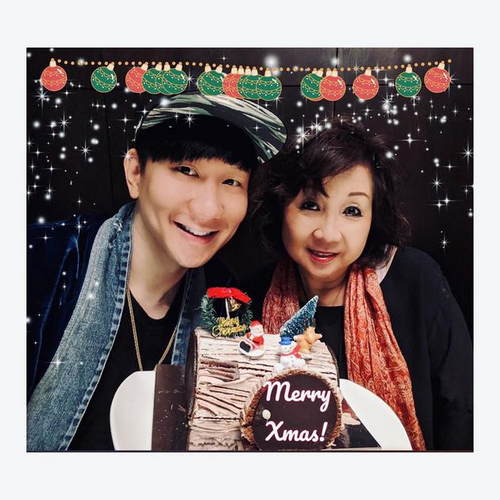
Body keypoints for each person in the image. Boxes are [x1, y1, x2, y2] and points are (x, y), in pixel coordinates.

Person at [27, 93, 286, 451]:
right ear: (136, 172)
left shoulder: (224, 299)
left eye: (231, 182)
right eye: (186, 171)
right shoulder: (45, 258)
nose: (209, 210)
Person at [247, 119, 472, 451]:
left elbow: (462, 407)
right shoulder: (252, 295)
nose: (327, 233)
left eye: (352, 211)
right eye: (310, 205)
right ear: (282, 209)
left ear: (372, 219)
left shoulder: (415, 279)